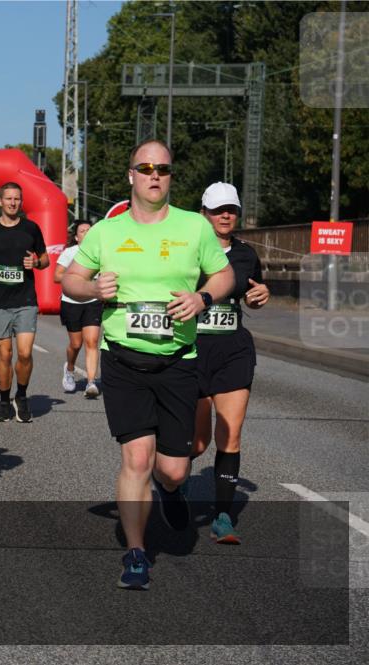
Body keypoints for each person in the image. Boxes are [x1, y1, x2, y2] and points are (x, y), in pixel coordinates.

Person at [62, 139, 234, 590]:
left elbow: (224, 273)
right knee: (136, 458)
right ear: (131, 175)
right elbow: (71, 278)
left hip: (178, 361)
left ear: (171, 177)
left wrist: (203, 296)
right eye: (146, 167)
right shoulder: (107, 231)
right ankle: (136, 553)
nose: (155, 175)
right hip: (124, 364)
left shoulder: (194, 227)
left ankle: (172, 491)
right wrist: (93, 290)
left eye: (163, 169)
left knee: (174, 468)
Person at [192, 182, 269, 544]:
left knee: (231, 436)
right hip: (190, 351)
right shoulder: (187, 251)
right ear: (204, 212)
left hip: (232, 350)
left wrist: (259, 297)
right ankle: (172, 486)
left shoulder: (246, 254)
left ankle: (223, 516)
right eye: (219, 209)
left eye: (232, 210)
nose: (226, 215)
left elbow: (253, 293)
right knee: (196, 445)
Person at [0, 182, 48, 423]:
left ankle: (21, 396)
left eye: (17, 199)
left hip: (25, 299)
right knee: (4, 354)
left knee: (24, 353)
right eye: (8, 199)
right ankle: (3, 402)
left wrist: (37, 264)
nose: (13, 203)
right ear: (0, 201)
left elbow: (45, 259)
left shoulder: (31, 228)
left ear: (21, 202)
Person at [55, 220, 103, 397]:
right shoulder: (70, 253)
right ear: (76, 237)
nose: (87, 233)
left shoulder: (101, 252)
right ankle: (69, 369)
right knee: (76, 344)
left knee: (92, 342)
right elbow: (57, 276)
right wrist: (76, 280)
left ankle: (91, 382)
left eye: (89, 230)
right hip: (71, 301)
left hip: (93, 301)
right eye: (82, 231)